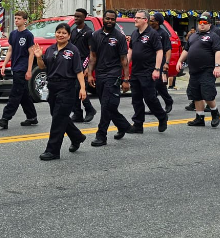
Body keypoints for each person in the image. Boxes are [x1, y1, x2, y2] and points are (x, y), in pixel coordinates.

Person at [31, 23, 88, 161]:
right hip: (53, 86)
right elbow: (43, 66)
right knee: (57, 115)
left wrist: (83, 88)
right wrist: (38, 57)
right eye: (58, 32)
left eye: (64, 33)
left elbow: (79, 71)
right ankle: (77, 137)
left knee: (58, 119)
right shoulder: (50, 49)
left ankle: (53, 151)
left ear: (69, 36)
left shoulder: (73, 50)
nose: (60, 35)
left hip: (67, 87)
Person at [86, 10, 132, 147]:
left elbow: (124, 59)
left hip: (113, 74)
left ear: (115, 21)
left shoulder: (119, 37)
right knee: (107, 105)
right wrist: (89, 74)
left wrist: (126, 79)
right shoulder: (95, 35)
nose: (110, 21)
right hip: (100, 74)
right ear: (103, 19)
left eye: (112, 19)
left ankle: (101, 135)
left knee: (106, 104)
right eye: (107, 18)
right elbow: (92, 57)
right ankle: (123, 125)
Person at [0, 11, 38, 129]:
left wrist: (29, 70)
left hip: (22, 68)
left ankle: (5, 118)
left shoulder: (28, 35)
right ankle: (32, 116)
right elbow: (10, 50)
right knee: (23, 93)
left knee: (15, 93)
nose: (16, 20)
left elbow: (31, 53)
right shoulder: (13, 34)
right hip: (15, 66)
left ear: (25, 20)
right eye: (16, 18)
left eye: (19, 19)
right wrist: (3, 64)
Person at [177, 13, 220, 128]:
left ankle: (215, 113)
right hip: (194, 70)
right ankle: (199, 117)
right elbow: (186, 50)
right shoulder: (193, 36)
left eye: (204, 23)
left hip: (207, 70)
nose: (202, 25)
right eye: (200, 23)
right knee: (195, 95)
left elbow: (218, 51)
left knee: (208, 94)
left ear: (209, 25)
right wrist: (179, 61)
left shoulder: (213, 36)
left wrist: (217, 66)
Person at [127, 10, 169, 134]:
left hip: (148, 71)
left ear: (145, 20)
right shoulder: (134, 33)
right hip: (135, 71)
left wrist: (157, 69)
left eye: (138, 18)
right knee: (136, 99)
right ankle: (138, 124)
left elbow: (159, 51)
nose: (135, 20)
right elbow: (130, 50)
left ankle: (162, 117)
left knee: (150, 98)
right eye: (135, 17)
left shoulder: (153, 34)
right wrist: (124, 66)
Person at [69, 8, 98, 123]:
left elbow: (91, 52)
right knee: (73, 89)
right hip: (74, 61)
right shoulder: (74, 31)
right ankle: (77, 113)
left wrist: (87, 68)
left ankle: (89, 109)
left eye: (78, 16)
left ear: (84, 18)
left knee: (80, 87)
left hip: (83, 61)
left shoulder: (89, 32)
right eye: (75, 16)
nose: (76, 18)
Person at [149, 12, 175, 113]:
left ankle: (168, 101)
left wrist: (166, 63)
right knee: (151, 85)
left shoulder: (163, 33)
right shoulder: (148, 32)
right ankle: (155, 107)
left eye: (152, 20)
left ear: (157, 22)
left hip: (160, 62)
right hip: (149, 62)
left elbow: (168, 49)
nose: (150, 22)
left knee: (158, 84)